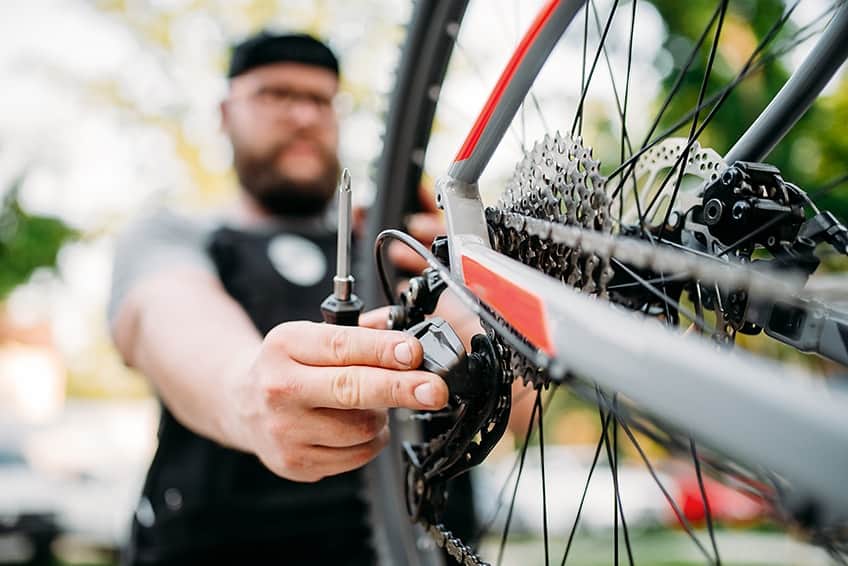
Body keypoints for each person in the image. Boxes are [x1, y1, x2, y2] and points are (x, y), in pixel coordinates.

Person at [109, 31, 459, 565]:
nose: (302, 117)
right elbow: (168, 316)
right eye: (275, 95)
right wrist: (245, 391)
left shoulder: (402, 242)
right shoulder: (171, 234)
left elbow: (519, 412)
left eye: (320, 100)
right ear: (225, 112)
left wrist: (471, 297)